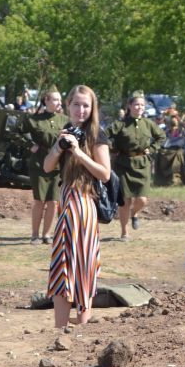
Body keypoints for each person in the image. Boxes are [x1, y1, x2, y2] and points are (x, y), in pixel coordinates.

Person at [42, 85, 111, 329]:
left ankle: (81, 328)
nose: (81, 110)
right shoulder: (65, 132)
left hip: (84, 203)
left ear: (92, 109)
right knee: (63, 265)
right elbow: (47, 167)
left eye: (86, 105)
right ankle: (60, 329)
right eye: (76, 104)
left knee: (83, 264)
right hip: (66, 202)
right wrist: (59, 146)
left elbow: (105, 174)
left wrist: (79, 153)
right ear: (68, 106)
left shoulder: (97, 135)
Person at [106, 91, 164, 241]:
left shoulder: (148, 124)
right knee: (125, 200)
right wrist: (113, 149)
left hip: (142, 164)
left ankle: (135, 213)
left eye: (142, 105)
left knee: (142, 199)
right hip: (124, 165)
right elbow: (104, 135)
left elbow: (161, 137)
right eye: (136, 104)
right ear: (129, 106)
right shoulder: (121, 124)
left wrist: (151, 149)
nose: (139, 107)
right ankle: (124, 232)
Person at [19, 87, 66, 244]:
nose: (58, 102)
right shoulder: (34, 119)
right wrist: (29, 144)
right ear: (46, 101)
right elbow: (15, 132)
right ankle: (35, 234)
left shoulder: (64, 120)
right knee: (40, 200)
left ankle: (46, 234)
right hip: (39, 163)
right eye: (55, 99)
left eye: (60, 100)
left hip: (58, 165)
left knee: (53, 201)